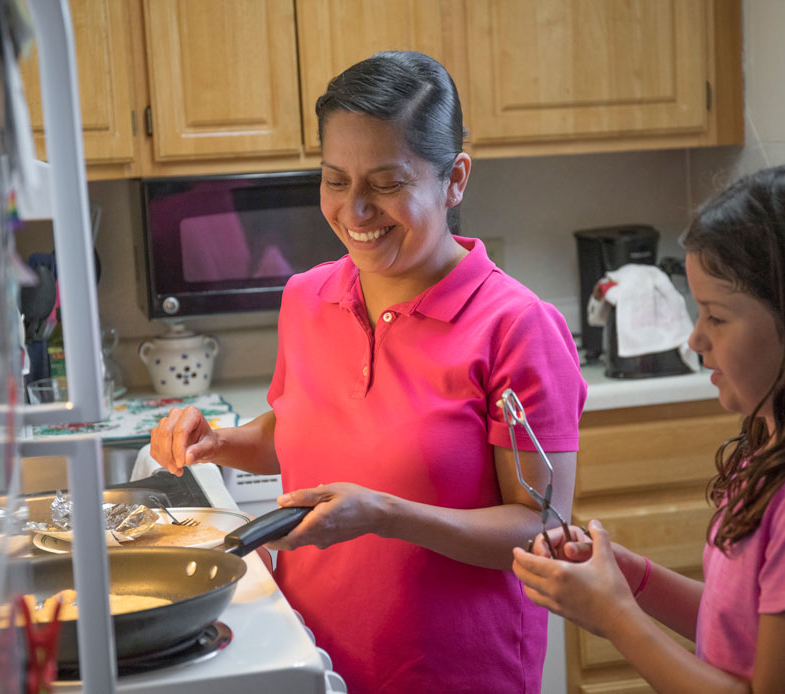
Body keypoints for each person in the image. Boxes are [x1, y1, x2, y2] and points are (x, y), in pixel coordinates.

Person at [151, 51, 586, 693]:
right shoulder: (306, 298)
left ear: (455, 179)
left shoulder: (517, 327)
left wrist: (386, 514)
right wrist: (219, 442)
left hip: (456, 676)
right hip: (310, 661)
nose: (355, 211)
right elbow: (304, 430)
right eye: (335, 179)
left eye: (385, 183)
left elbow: (541, 527)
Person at [513, 159, 785, 693]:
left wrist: (614, 617)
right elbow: (744, 628)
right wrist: (629, 579)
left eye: (716, 317)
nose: (695, 339)